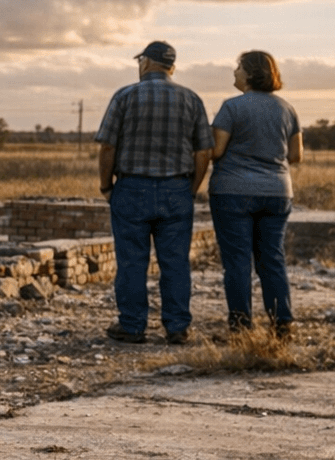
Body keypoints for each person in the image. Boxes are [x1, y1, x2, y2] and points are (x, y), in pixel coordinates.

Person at [95, 41, 214, 345]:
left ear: (146, 63)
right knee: (175, 262)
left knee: (132, 260)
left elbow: (107, 146)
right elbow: (204, 151)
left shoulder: (125, 96)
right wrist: (191, 188)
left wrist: (106, 185)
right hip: (176, 188)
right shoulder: (191, 99)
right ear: (171, 67)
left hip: (131, 187)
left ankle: (132, 325)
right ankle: (177, 327)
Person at [208, 50, 303, 336]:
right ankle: (282, 324)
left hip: (233, 192)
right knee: (272, 258)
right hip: (277, 192)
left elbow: (216, 150)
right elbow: (296, 155)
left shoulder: (231, 107)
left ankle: (240, 327)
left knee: (237, 261)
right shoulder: (287, 109)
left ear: (250, 73)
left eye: (238, 67)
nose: (234, 72)